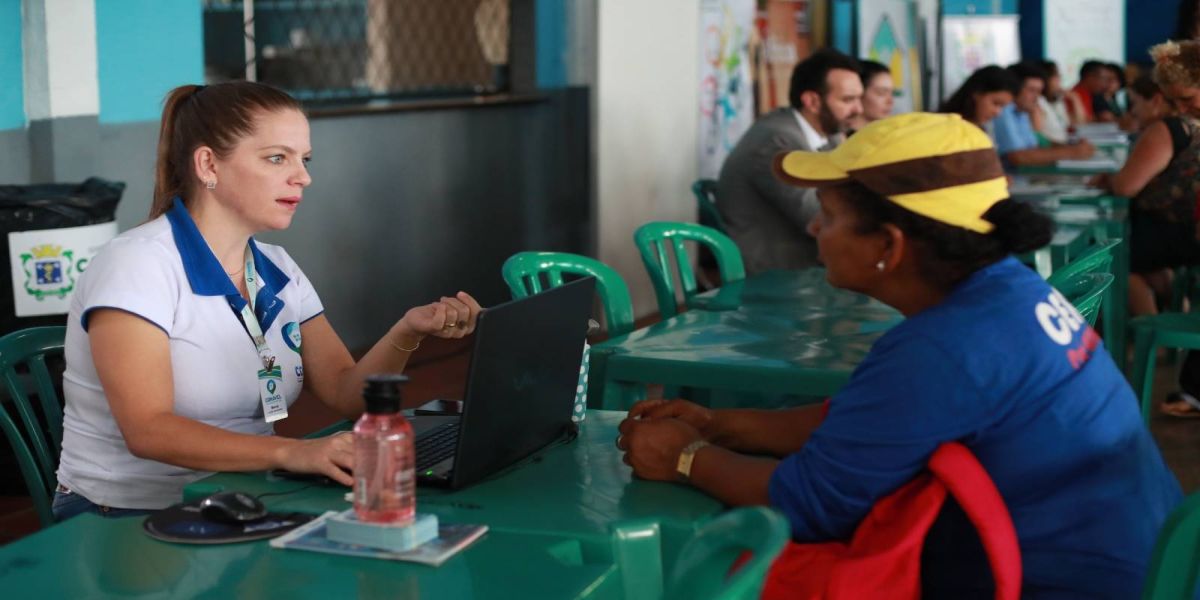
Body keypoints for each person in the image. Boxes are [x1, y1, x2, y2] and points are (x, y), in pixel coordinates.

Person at [618, 112, 1181, 597]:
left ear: (888, 246)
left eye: (830, 216)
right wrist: (720, 425)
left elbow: (808, 504)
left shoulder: (945, 348)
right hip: (1146, 564)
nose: (815, 227)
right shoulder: (1008, 291)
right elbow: (866, 419)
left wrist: (684, 458)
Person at [53, 81, 484, 519]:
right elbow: (148, 431)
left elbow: (344, 391)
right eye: (277, 158)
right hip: (124, 511)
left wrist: (406, 331)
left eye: (304, 159)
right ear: (208, 164)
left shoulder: (276, 267)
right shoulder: (137, 265)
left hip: (239, 496)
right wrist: (295, 453)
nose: (303, 176)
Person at [1102, 41, 1200, 417]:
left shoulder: (1173, 128)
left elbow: (1127, 186)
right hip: (1187, 235)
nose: (1181, 108)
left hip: (1174, 234)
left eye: (1187, 97)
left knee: (1115, 261)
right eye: (1173, 100)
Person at [717, 49, 863, 274]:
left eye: (859, 98)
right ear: (812, 101)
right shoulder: (775, 143)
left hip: (803, 254)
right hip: (775, 268)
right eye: (848, 100)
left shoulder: (829, 132)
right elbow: (819, 216)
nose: (859, 109)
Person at [992, 61, 1095, 167]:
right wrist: (1072, 152)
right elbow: (1018, 156)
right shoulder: (1003, 112)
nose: (1037, 97)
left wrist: (1071, 147)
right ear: (1013, 89)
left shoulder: (1022, 112)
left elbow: (1035, 146)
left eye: (1039, 92)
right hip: (1020, 179)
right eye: (1031, 90)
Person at [938, 65, 1019, 130]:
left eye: (1002, 107)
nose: (997, 113)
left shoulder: (979, 129)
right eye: (995, 103)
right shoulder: (945, 127)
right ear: (977, 92)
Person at [847, 59, 893, 131]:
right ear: (858, 93)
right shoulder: (840, 140)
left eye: (892, 93)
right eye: (881, 93)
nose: (890, 101)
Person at [1064, 60, 1115, 124]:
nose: (1105, 84)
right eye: (1103, 78)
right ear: (1089, 77)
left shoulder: (1089, 94)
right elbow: (1078, 123)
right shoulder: (1073, 96)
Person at [1035, 60, 1071, 144]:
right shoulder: (1038, 102)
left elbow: (1068, 124)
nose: (1059, 80)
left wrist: (1075, 98)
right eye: (1056, 76)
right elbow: (1040, 141)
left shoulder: (1054, 100)